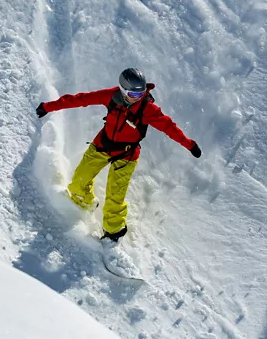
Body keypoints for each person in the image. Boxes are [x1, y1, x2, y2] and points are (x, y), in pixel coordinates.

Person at [35, 68, 201, 242]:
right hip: (102, 146)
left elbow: (169, 127)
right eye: (132, 94)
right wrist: (48, 107)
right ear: (122, 90)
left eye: (141, 93)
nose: (137, 97)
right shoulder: (110, 96)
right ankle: (84, 204)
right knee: (78, 183)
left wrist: (190, 145)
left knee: (115, 197)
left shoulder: (148, 109)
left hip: (126, 155)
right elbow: (80, 99)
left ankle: (113, 234)